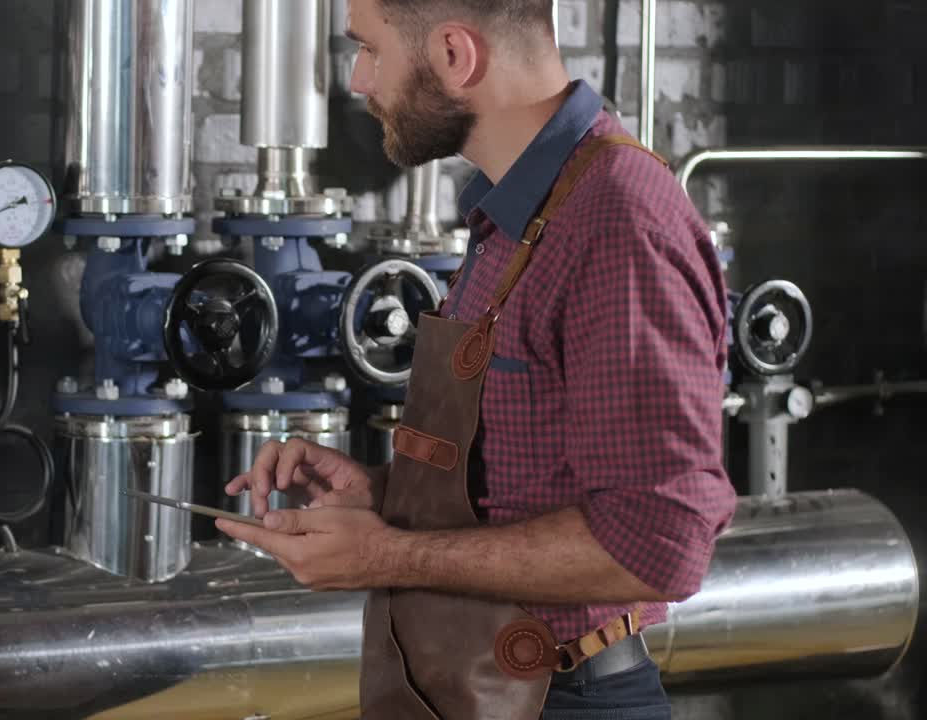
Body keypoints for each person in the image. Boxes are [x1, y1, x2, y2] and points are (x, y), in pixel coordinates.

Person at [217, 0, 738, 718]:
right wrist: (387, 495)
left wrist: (387, 556)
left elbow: (657, 545)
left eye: (371, 51)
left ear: (457, 57)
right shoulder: (516, 212)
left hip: (563, 699)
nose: (363, 81)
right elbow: (526, 479)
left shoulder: (616, 221)